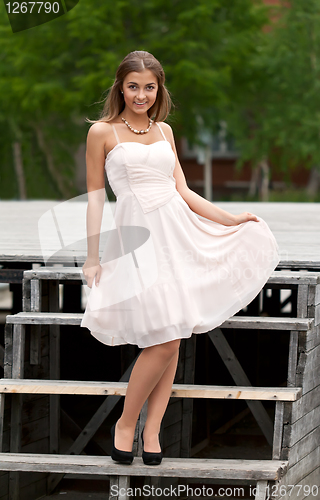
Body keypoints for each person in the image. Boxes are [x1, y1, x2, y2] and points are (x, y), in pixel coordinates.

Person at [81, 50, 280, 466]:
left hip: (177, 234)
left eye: (149, 87)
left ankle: (152, 430)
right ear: (121, 86)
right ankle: (125, 422)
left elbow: (184, 193)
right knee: (165, 337)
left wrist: (230, 218)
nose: (141, 95)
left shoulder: (165, 131)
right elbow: (96, 198)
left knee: (173, 335)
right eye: (133, 86)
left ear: (159, 88)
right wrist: (93, 256)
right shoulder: (102, 132)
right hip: (136, 240)